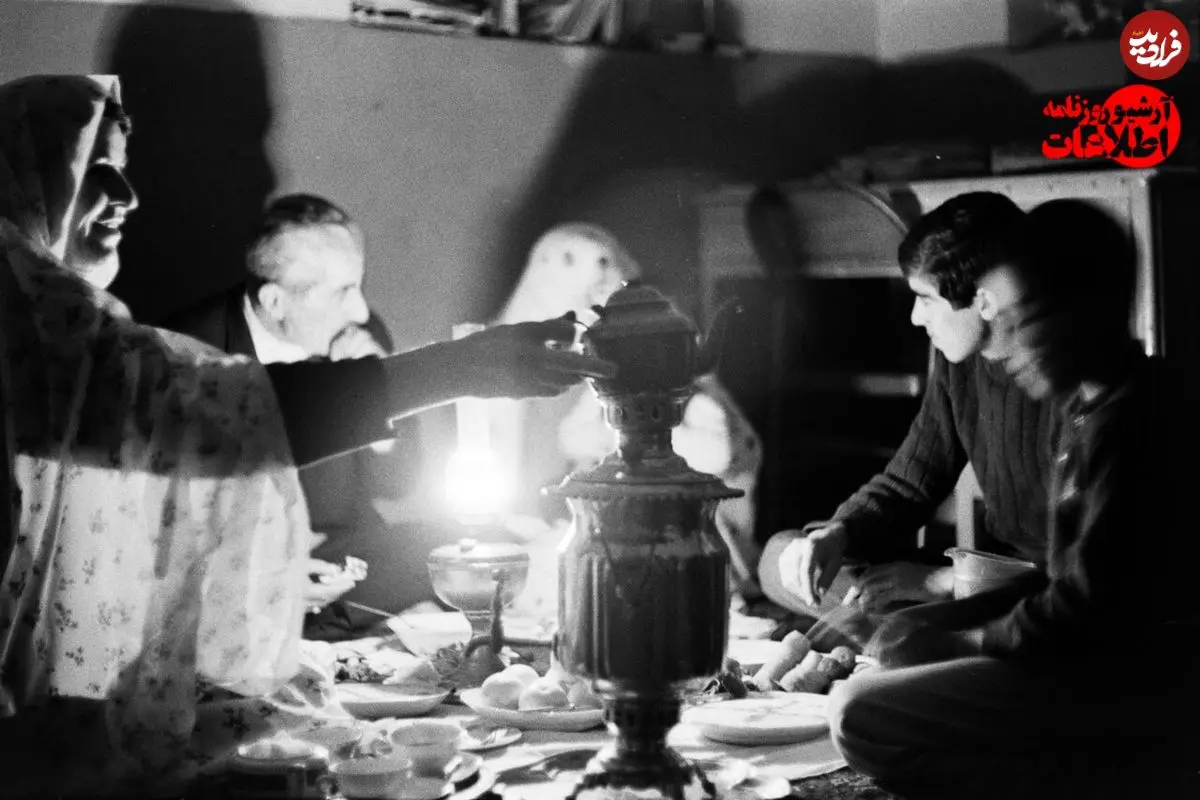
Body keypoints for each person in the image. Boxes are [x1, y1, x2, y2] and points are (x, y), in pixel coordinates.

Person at [0, 74, 613, 795]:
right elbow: (201, 416)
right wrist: (458, 368)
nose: (127, 195)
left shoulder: (65, 318)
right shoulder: (27, 317)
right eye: (93, 169)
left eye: (124, 170)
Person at [827, 199, 1200, 799]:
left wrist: (963, 638)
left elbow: (1086, 609)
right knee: (889, 672)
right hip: (1073, 652)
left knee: (857, 712)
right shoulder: (1087, 410)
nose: (1000, 346)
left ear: (1079, 314)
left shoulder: (1132, 421)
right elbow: (1062, 578)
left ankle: (1116, 780)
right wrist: (938, 619)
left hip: (1133, 677)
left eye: (1019, 320)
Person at [757, 192, 1058, 624]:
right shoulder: (960, 366)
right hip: (975, 584)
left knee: (890, 617)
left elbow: (1085, 572)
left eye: (927, 299)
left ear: (983, 299)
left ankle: (910, 637)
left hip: (1033, 596)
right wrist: (838, 534)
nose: (916, 317)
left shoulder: (1066, 379)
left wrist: (938, 582)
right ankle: (902, 634)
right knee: (781, 558)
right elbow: (909, 483)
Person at [165, 193, 406, 624]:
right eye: (343, 291)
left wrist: (375, 396)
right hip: (234, 584)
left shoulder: (361, 336)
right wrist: (269, 577)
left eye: (359, 285)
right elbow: (172, 529)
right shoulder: (188, 357)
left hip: (344, 563)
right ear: (276, 302)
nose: (360, 311)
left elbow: (398, 485)